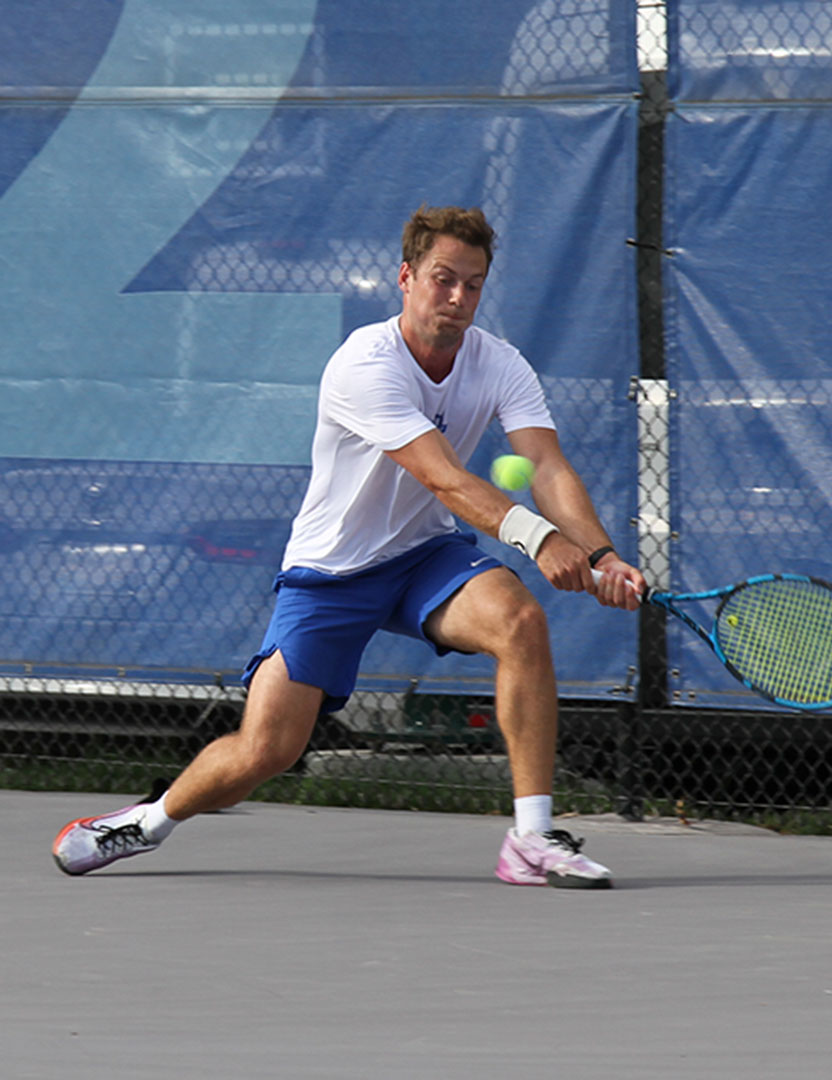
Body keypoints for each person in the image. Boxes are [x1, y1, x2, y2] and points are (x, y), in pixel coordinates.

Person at [53, 206, 647, 889]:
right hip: (330, 574)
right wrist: (539, 538)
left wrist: (599, 554)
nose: (457, 298)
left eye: (473, 285)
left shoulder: (500, 364)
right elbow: (441, 475)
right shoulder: (364, 364)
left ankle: (532, 838)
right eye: (442, 279)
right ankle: (147, 824)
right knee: (266, 750)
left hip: (425, 557)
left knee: (521, 621)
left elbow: (547, 466)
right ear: (406, 277)